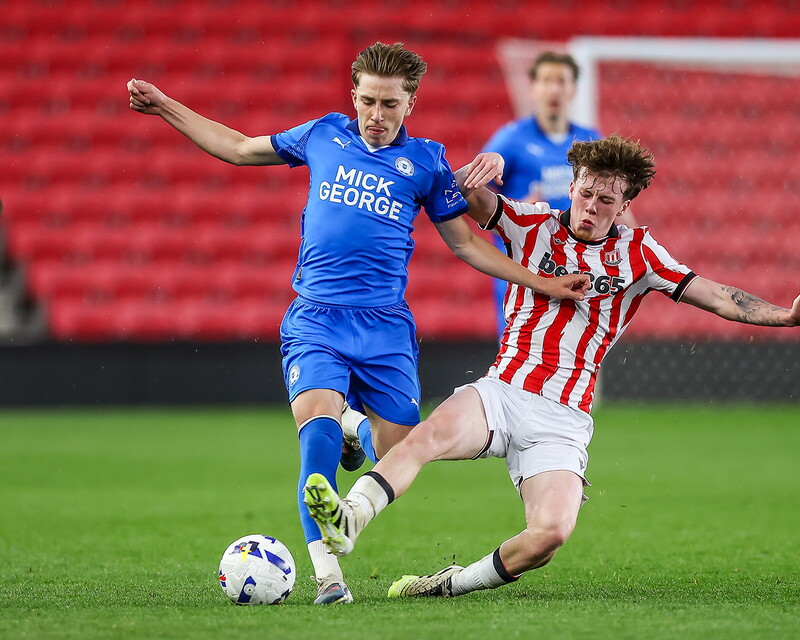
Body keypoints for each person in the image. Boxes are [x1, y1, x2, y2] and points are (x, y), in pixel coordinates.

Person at [127, 42, 589, 606]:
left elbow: (467, 244)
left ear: (410, 103)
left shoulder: (425, 163)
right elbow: (241, 148)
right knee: (315, 437)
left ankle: (354, 430)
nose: (376, 115)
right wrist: (166, 106)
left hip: (386, 330)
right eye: (367, 101)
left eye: (389, 104)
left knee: (396, 451)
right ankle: (329, 578)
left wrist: (540, 282)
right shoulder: (323, 134)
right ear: (353, 96)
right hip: (316, 318)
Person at [303, 135, 800, 600]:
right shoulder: (530, 222)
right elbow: (459, 197)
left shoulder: (641, 255)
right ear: (573, 185)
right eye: (584, 191)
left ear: (625, 201)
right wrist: (478, 168)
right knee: (423, 437)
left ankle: (449, 584)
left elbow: (719, 296)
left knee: (550, 534)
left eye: (604, 199)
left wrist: (790, 317)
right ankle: (350, 518)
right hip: (504, 389)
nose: (589, 206)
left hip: (563, 418)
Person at [481, 51, 603, 334]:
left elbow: (616, 199)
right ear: (534, 88)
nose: (554, 88)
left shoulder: (590, 139)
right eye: (547, 80)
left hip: (575, 268)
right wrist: (517, 208)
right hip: (523, 269)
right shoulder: (511, 139)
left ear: (573, 89)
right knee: (519, 354)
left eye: (562, 81)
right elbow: (474, 194)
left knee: (574, 357)